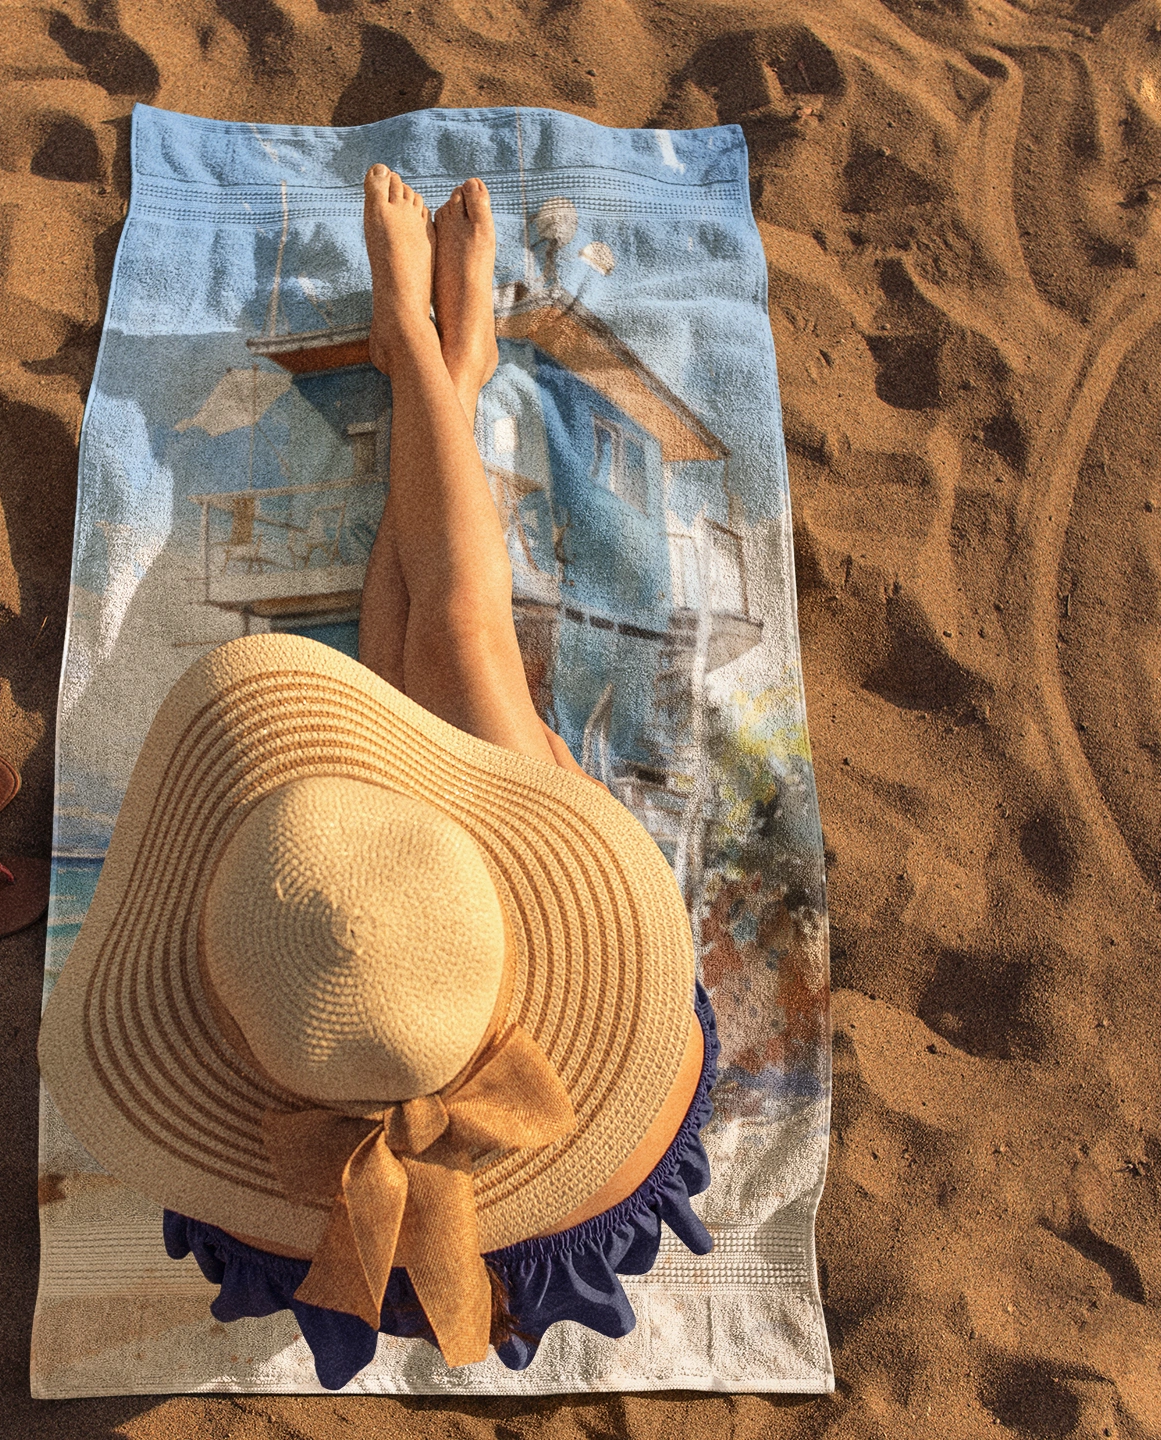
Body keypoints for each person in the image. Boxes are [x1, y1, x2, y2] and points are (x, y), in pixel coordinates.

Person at [38, 168, 715, 1390]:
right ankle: (437, 366)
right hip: (524, 1042)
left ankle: (429, 365)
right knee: (457, 641)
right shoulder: (619, 1107)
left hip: (405, 998)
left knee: (404, 670)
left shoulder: (257, 1189)